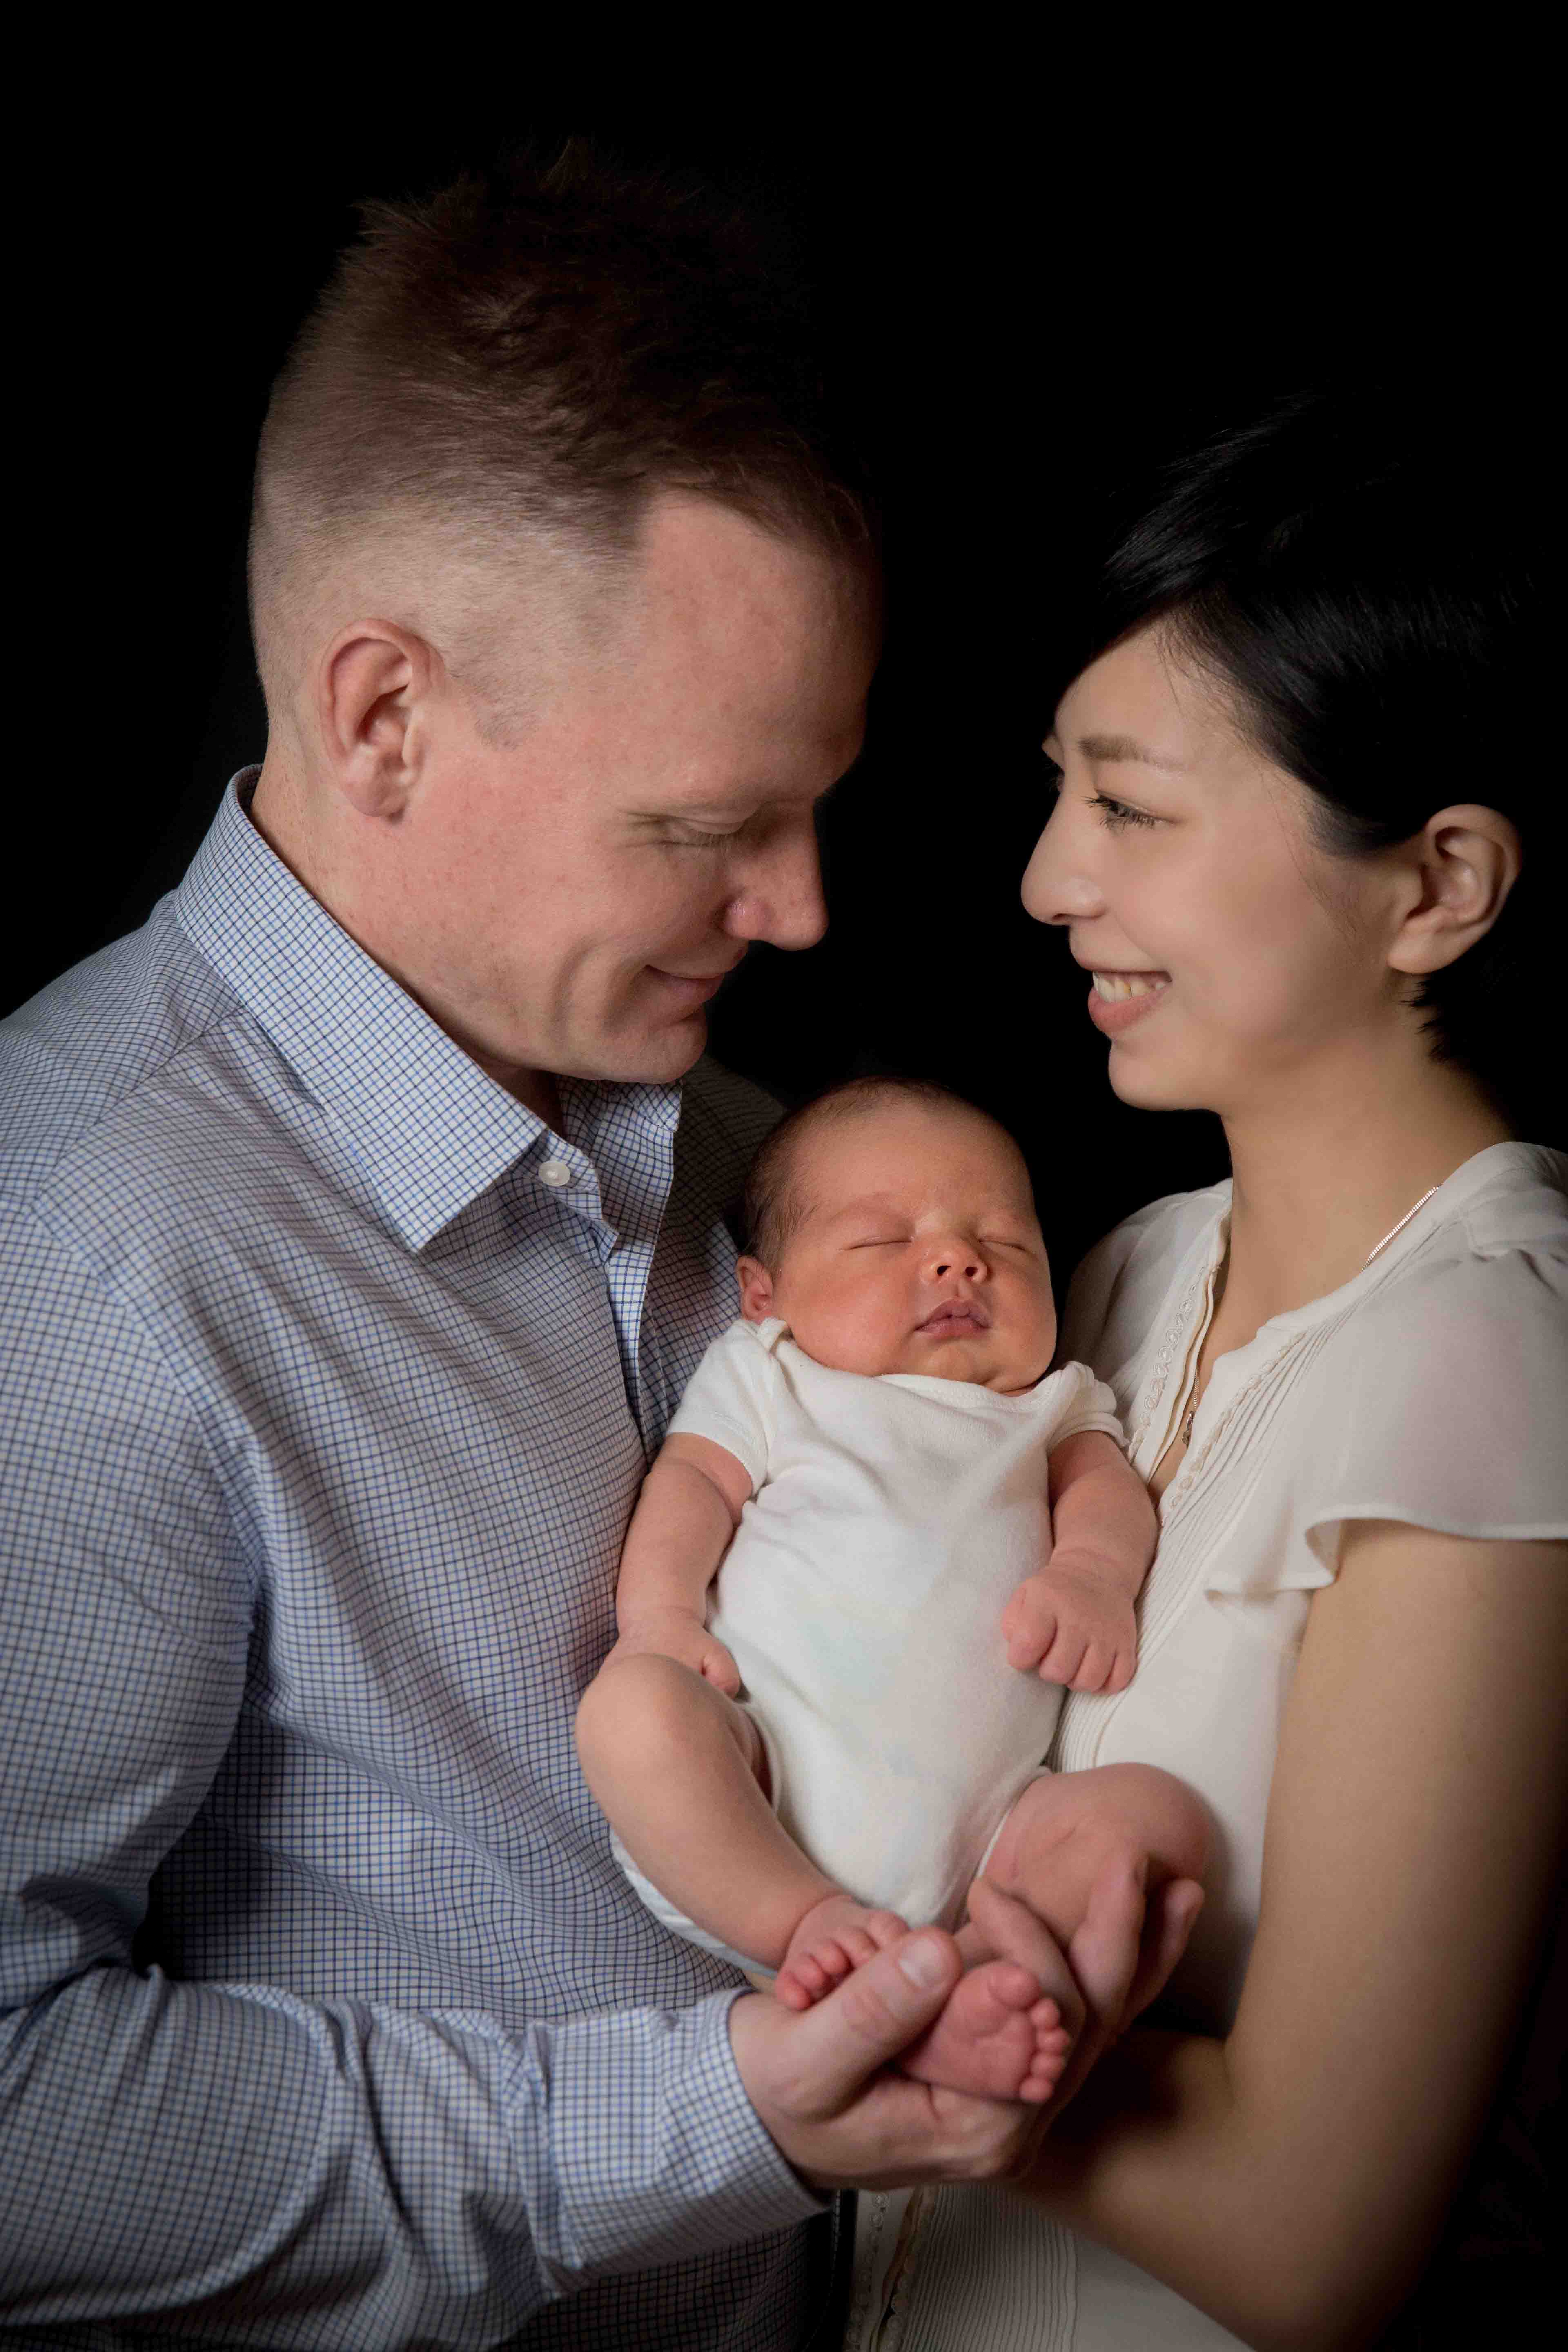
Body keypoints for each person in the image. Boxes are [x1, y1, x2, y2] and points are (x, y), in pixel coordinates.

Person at [0, 154, 1196, 2348]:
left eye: (813, 807)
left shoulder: (745, 1153)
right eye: (708, 827)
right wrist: (693, 2121)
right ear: (383, 716)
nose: (802, 911)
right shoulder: (77, 1255)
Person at [845, 392, 1568, 2348]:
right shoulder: (1120, 1269)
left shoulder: (1495, 1365)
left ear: (1435, 886)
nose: (1045, 880)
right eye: (1059, 795)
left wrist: (846, 2012)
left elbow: (1314, 2238)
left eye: (1130, 808)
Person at [577, 1076, 1210, 2106]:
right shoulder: (774, 1374)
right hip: (756, 1781)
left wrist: (1091, 1575)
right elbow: (691, 1484)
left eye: (1003, 1242)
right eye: (883, 1240)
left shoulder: (1053, 1403)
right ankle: (802, 1925)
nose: (959, 1261)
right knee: (633, 1714)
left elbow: (1106, 1494)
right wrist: (659, 1619)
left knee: (1156, 1816)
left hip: (991, 1841)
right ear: (764, 1294)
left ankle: (978, 1991)